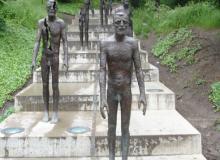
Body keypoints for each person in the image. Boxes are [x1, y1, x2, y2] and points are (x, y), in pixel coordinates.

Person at [99, 11, 147, 160]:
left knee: (125, 128)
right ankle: (111, 157)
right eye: (118, 22)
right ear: (113, 23)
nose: (121, 25)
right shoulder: (105, 43)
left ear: (128, 24)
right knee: (111, 127)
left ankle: (124, 157)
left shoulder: (132, 44)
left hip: (126, 91)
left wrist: (143, 93)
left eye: (124, 22)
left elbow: (139, 69)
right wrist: (102, 97)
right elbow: (102, 70)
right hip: (111, 90)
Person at [31, 0, 68, 123]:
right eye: (50, 7)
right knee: (45, 85)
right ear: (47, 9)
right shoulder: (41, 23)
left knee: (55, 85)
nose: (52, 9)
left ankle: (55, 113)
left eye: (54, 7)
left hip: (55, 57)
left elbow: (65, 42)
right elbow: (37, 41)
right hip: (44, 57)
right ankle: (46, 112)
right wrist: (33, 59)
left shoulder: (61, 23)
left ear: (56, 8)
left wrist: (66, 59)